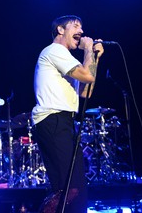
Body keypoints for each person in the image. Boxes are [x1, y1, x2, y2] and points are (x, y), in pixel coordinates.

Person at [31, 15, 104, 213]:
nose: (81, 30)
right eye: (75, 26)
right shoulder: (54, 50)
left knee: (74, 185)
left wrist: (94, 58)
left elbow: (86, 91)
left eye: (82, 26)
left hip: (64, 122)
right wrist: (89, 50)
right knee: (69, 187)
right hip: (53, 119)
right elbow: (87, 75)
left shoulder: (67, 59)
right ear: (61, 30)